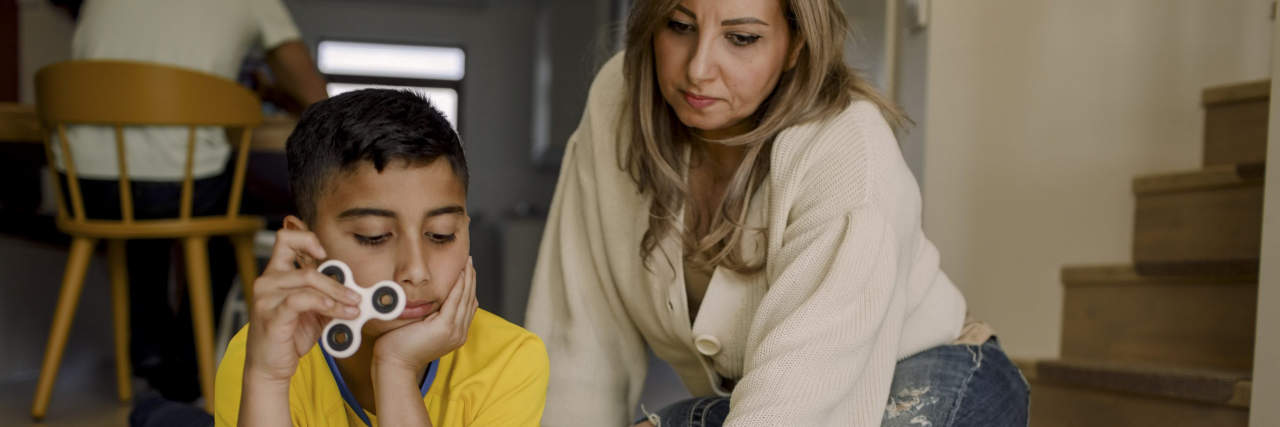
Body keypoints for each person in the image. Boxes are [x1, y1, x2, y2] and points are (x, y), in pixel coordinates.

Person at [525, 0, 1029, 426]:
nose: (699, 68)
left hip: (936, 370)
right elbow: (580, 340)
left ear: (795, 45)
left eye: (741, 38)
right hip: (773, 391)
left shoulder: (849, 151)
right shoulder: (617, 103)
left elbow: (801, 392)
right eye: (679, 26)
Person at [214, 89, 549, 426]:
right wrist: (268, 380)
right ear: (305, 251)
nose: (416, 270)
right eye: (373, 236)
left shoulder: (510, 359)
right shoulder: (267, 354)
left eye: (441, 234)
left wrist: (395, 368)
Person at [55, 0, 328, 401]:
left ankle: (149, 349)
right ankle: (188, 366)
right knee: (228, 218)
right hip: (178, 183)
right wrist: (276, 94)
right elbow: (318, 100)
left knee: (137, 217)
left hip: (84, 184)